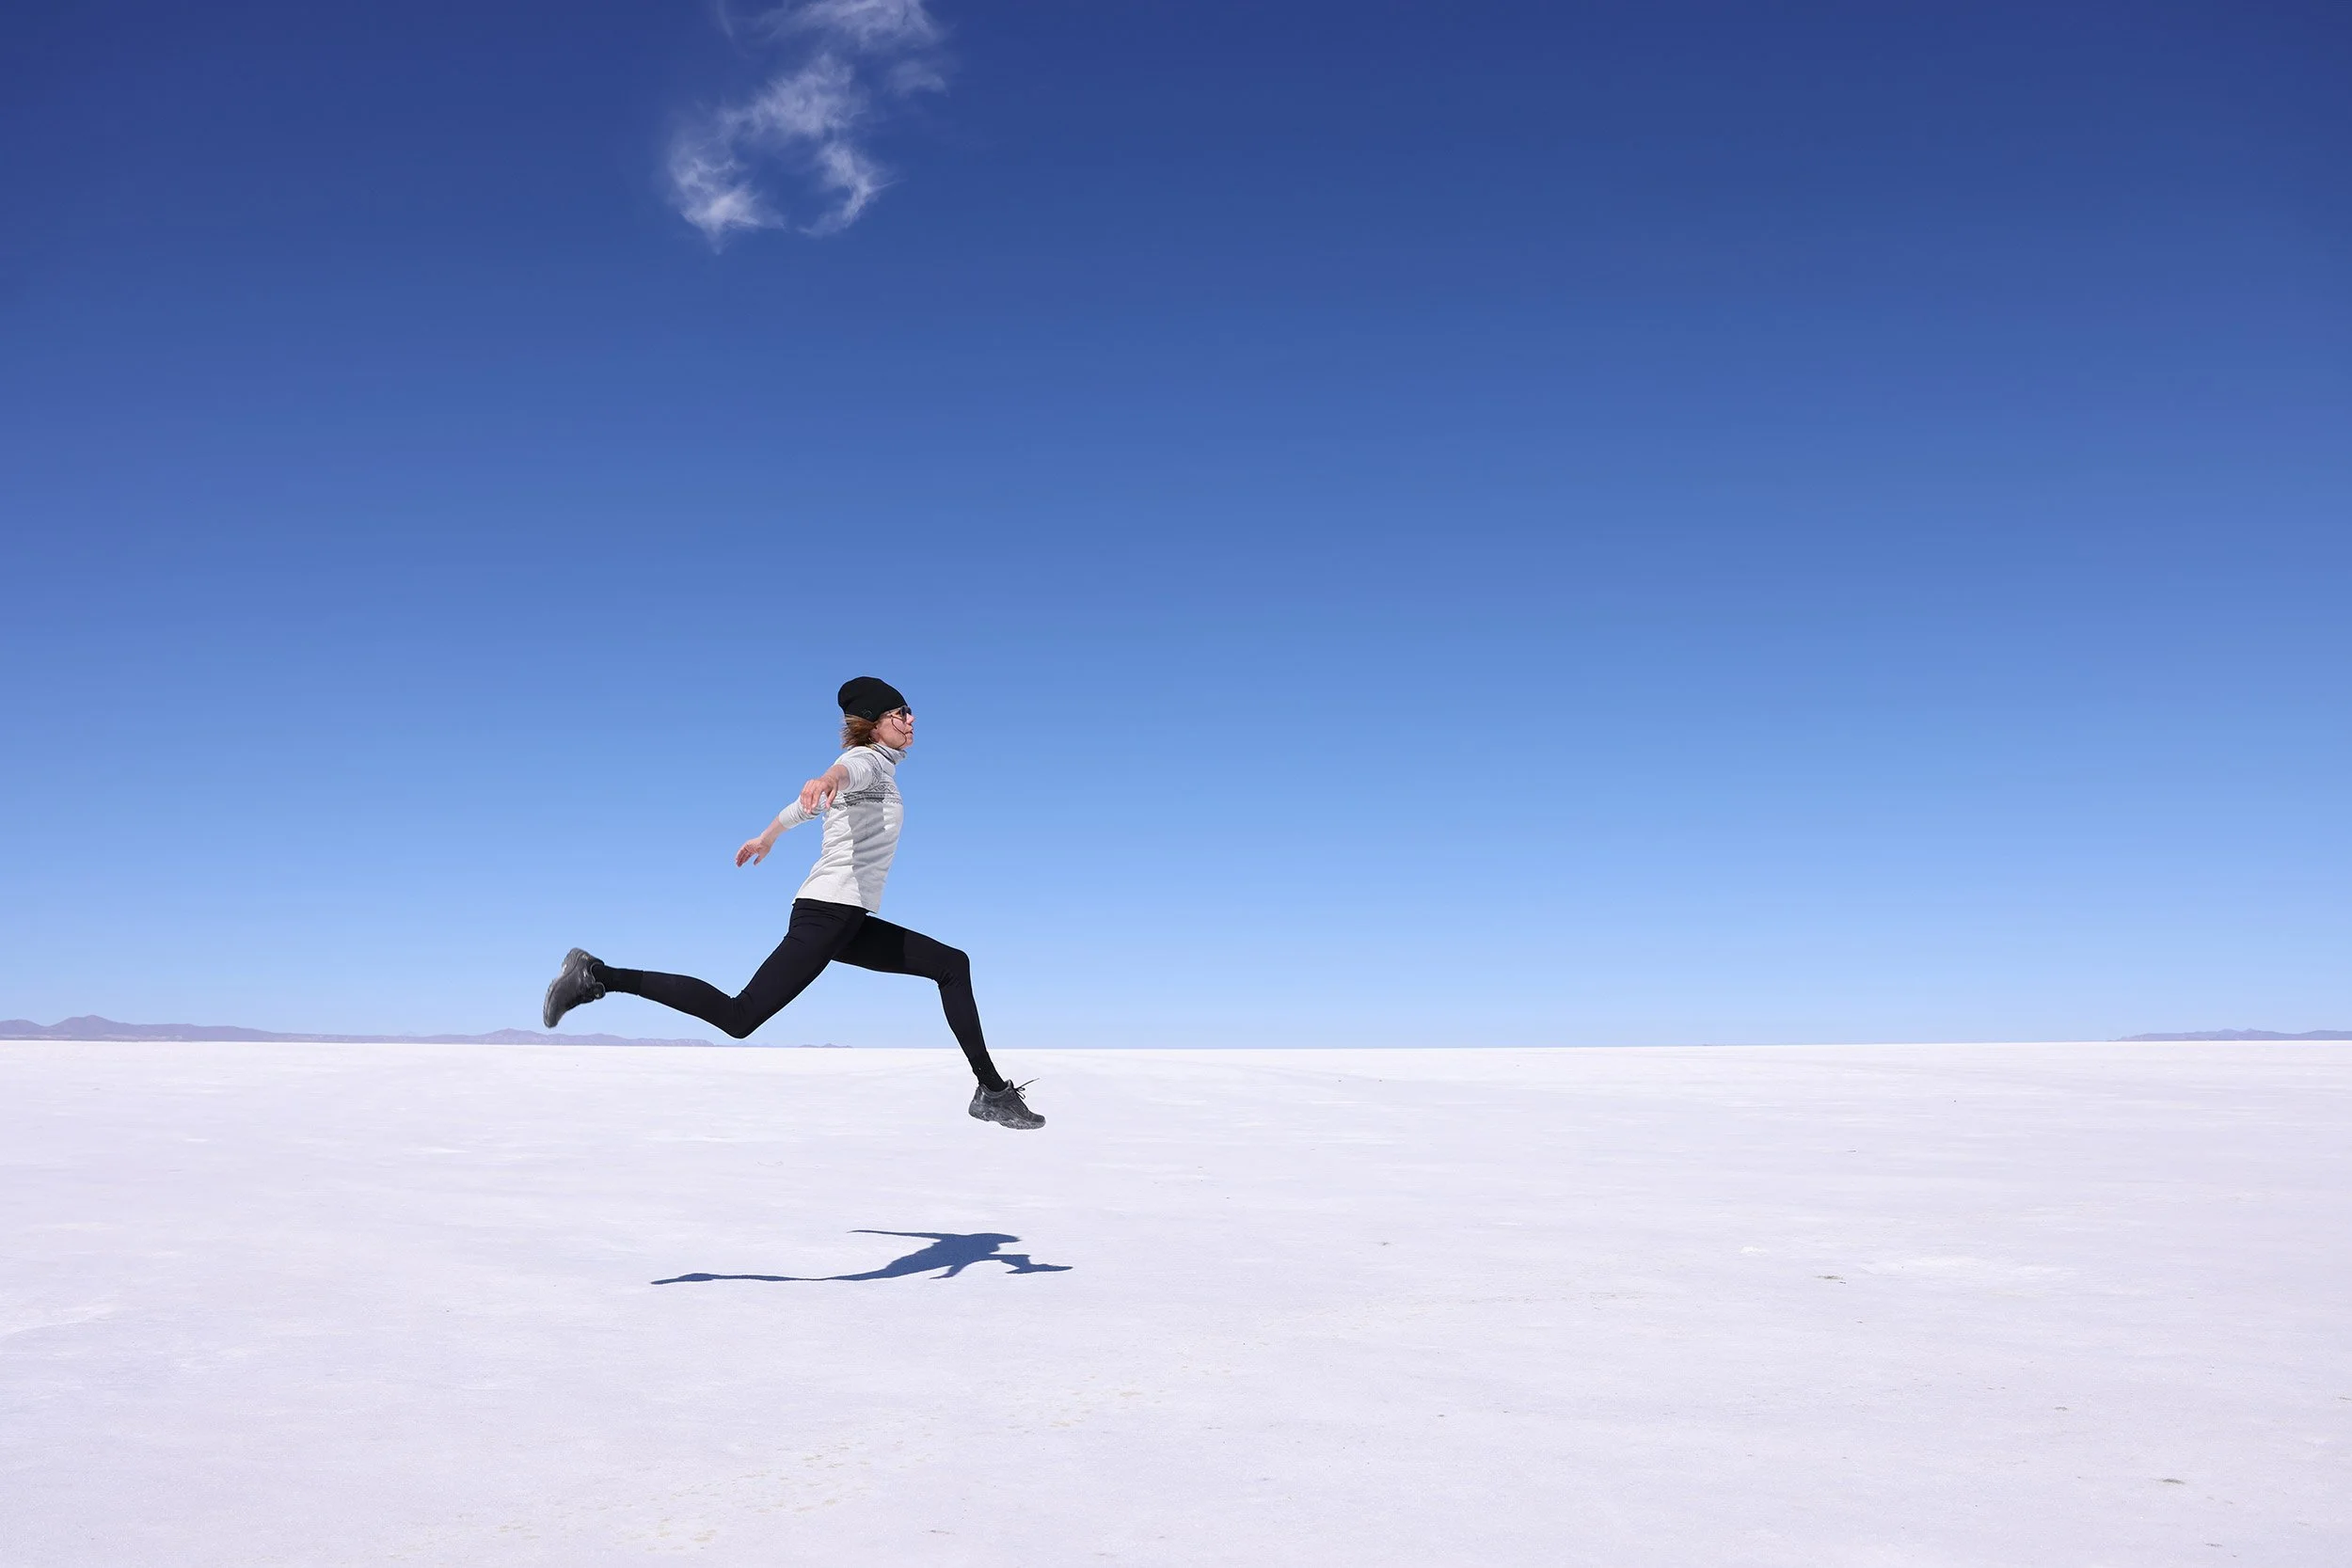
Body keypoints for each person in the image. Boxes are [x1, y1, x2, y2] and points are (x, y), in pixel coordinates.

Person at [540, 676, 1042, 1130]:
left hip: (846, 918)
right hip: (828, 914)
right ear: (874, 724)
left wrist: (767, 837)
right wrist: (826, 780)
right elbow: (838, 775)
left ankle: (991, 1092)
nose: (911, 721)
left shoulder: (883, 774)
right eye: (901, 713)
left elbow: (802, 808)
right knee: (740, 1018)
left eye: (910, 712)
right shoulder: (864, 762)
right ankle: (599, 974)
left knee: (952, 965)